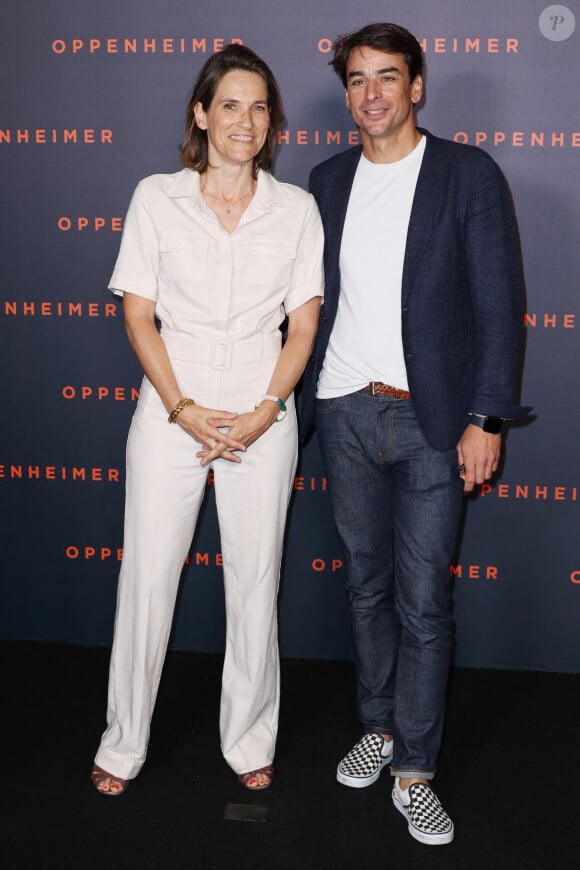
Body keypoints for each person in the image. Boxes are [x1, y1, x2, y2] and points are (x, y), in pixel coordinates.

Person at [299, 23, 529, 845]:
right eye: (357, 80)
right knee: (365, 588)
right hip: (345, 413)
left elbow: (501, 308)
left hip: (434, 420)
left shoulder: (467, 173)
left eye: (387, 77)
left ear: (417, 86)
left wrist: (485, 417)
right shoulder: (325, 180)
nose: (371, 94)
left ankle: (416, 768)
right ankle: (380, 726)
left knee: (424, 604)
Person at [91, 44, 323, 796]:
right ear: (201, 113)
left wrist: (265, 411)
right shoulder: (157, 196)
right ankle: (123, 742)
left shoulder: (297, 209)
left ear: (272, 122)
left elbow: (303, 325)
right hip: (170, 406)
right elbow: (137, 314)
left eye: (259, 107)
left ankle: (249, 737)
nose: (245, 121)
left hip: (265, 407)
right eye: (230, 104)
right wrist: (183, 407)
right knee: (148, 579)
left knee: (255, 582)